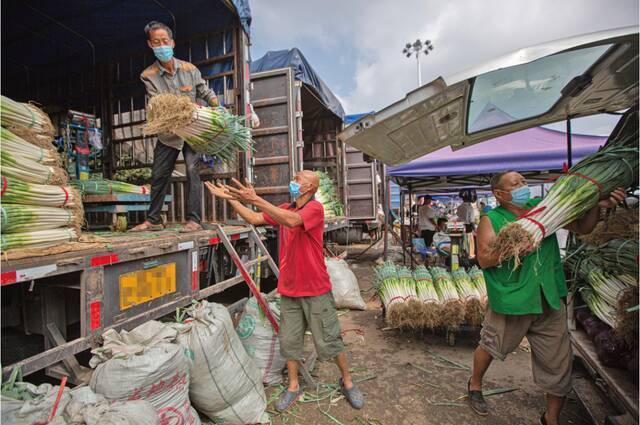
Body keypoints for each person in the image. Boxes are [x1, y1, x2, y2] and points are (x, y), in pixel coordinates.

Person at [468, 170, 625, 425]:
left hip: (549, 296)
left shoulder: (543, 208)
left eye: (524, 181)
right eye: (515, 184)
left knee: (558, 361)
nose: (523, 186)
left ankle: (551, 419)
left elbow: (582, 228)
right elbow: (485, 259)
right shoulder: (492, 219)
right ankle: (475, 383)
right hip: (513, 300)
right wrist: (513, 247)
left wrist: (597, 205)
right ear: (499, 194)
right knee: (491, 346)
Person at [204, 172, 364, 412]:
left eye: (299, 178)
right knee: (289, 342)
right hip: (289, 289)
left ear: (310, 186)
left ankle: (347, 381)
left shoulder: (315, 209)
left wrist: (256, 198)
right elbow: (254, 217)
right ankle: (293, 385)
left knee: (329, 339)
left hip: (315, 289)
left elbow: (291, 221)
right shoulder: (285, 208)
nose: (294, 179)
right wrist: (231, 198)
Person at [131, 21, 219, 233]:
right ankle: (153, 220)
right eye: (156, 42)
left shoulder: (190, 69)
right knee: (159, 174)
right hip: (169, 132)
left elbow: (204, 92)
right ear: (150, 45)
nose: (161, 45)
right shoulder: (148, 75)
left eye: (164, 41)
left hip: (193, 130)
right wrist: (181, 110)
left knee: (193, 170)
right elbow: (158, 102)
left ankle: (194, 220)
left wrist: (217, 107)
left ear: (172, 42)